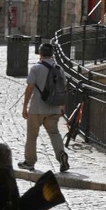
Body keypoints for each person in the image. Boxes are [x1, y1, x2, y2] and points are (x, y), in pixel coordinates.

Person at [21, 41, 70, 173]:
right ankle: (61, 156)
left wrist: (25, 106)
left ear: (40, 54)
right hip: (54, 108)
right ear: (52, 54)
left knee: (32, 135)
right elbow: (63, 89)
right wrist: (62, 106)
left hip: (37, 108)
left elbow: (30, 87)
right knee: (54, 133)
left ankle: (29, 162)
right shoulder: (59, 69)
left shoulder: (36, 68)